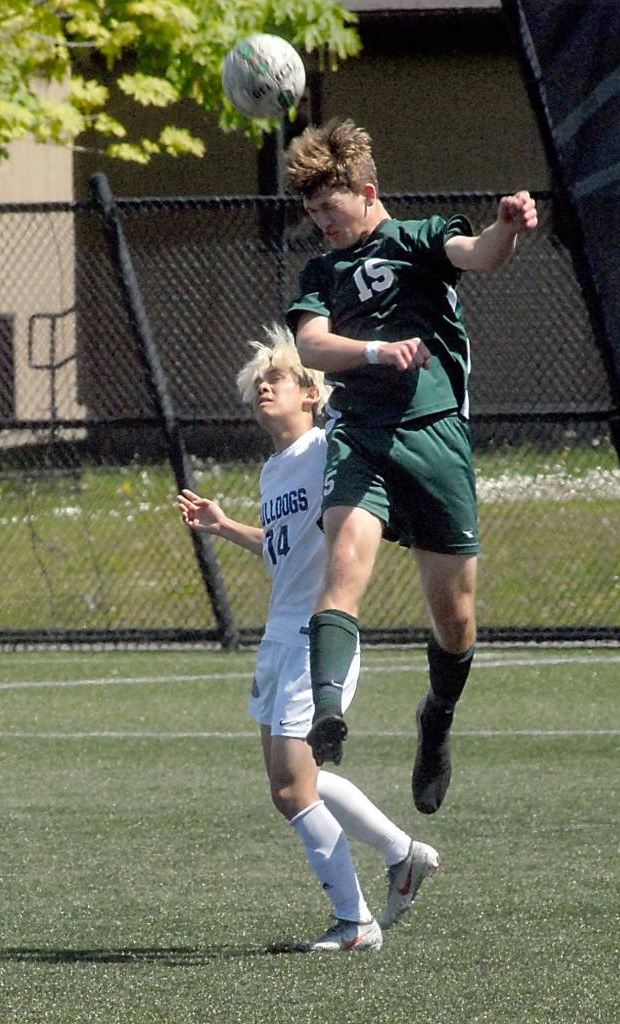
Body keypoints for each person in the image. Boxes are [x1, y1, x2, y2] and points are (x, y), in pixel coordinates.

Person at [284, 118, 538, 814]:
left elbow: (478, 253)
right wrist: (373, 353)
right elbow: (310, 345)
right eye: (310, 216)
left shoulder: (418, 238)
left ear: (367, 193)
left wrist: (507, 226)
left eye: (328, 213)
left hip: (433, 438)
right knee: (342, 570)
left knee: (454, 621)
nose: (321, 226)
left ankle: (435, 720)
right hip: (361, 435)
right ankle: (328, 714)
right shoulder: (320, 271)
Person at [178, 325, 440, 953]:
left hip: (315, 638)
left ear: (312, 393)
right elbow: (285, 553)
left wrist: (383, 352)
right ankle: (402, 855)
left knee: (292, 787)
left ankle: (355, 925)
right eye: (258, 382)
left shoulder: (331, 447)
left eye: (279, 378)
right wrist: (227, 526)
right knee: (300, 779)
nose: (264, 387)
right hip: (279, 637)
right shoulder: (275, 471)